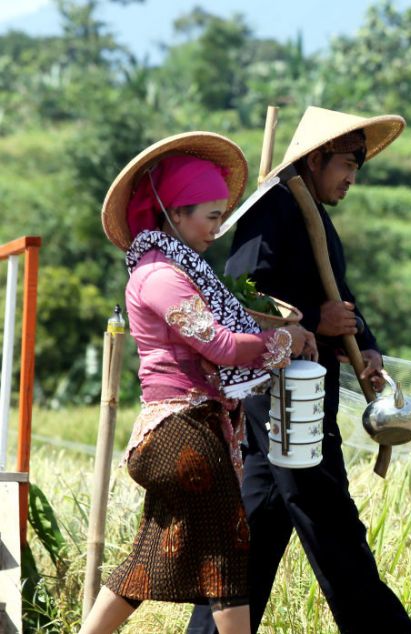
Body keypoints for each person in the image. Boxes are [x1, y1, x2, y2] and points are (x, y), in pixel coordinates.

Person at [187, 107, 411, 633]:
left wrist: (366, 343)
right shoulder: (272, 211)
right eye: (348, 162)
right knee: (332, 523)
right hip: (283, 398)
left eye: (360, 163)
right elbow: (241, 301)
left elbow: (339, 300)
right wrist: (316, 320)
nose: (353, 176)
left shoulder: (314, 216)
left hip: (301, 394)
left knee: (255, 532)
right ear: (316, 158)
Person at [81, 132, 317, 634]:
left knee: (144, 563)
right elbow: (223, 348)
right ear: (176, 213)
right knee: (229, 553)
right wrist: (285, 342)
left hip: (186, 430)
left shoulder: (179, 270)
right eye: (210, 217)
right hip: (182, 429)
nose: (216, 229)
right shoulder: (160, 277)